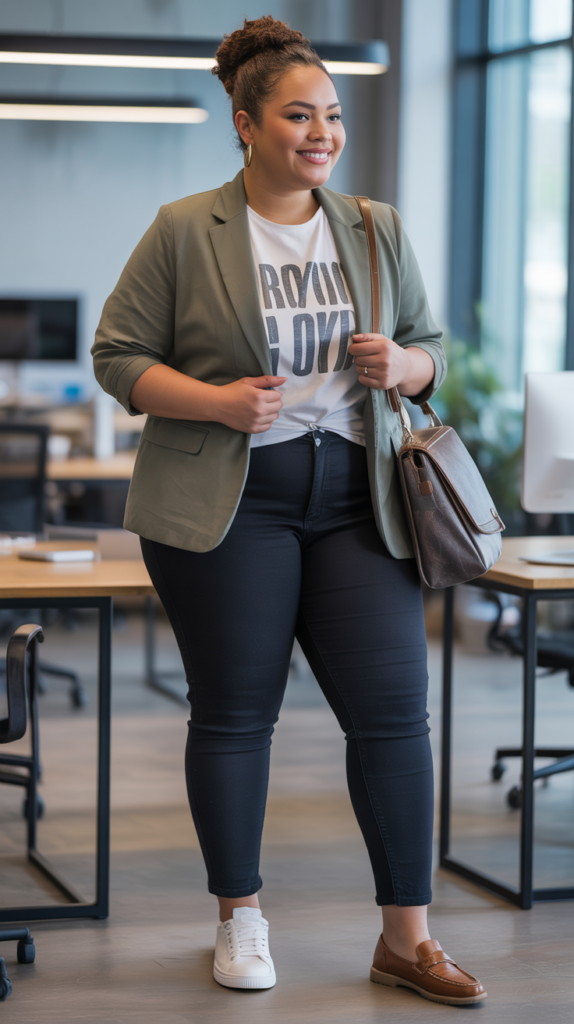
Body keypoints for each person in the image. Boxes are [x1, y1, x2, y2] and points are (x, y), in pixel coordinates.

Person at [92, 15, 487, 1007]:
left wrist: (406, 364)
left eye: (333, 115)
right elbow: (117, 357)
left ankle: (407, 938)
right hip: (232, 501)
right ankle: (241, 919)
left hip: (361, 495)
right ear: (246, 123)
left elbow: (433, 349)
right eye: (299, 114)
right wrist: (218, 401)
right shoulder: (188, 227)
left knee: (396, 717)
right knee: (235, 716)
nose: (322, 132)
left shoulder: (372, 225)